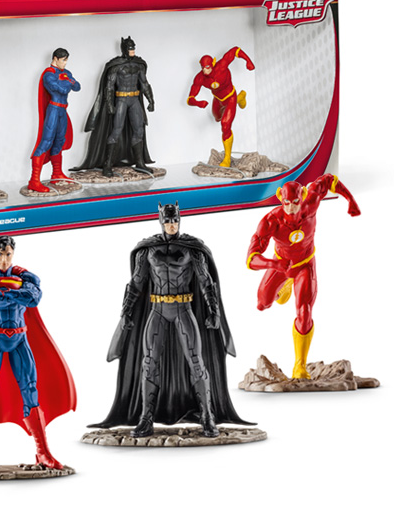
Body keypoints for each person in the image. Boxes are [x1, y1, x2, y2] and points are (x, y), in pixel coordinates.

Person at [92, 203, 248, 438]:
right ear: (161, 221)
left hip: (184, 309)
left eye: (175, 221)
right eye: (167, 221)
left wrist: (214, 311)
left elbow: (206, 282)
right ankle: (146, 418)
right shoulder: (148, 249)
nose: (172, 225)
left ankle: (207, 416)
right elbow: (136, 283)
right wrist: (126, 312)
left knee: (196, 362)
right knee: (149, 363)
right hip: (157, 310)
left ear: (180, 220)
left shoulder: (191, 248)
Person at [0, 236, 76, 472]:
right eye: (0, 254)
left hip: (20, 339)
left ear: (13, 254)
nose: (4, 259)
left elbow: (33, 298)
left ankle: (43, 453)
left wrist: (1, 291)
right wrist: (13, 291)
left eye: (8, 254)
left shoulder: (25, 275)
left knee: (31, 392)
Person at [246, 175, 360, 378]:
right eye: (287, 203)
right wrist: (273, 264)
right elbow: (251, 259)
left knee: (305, 311)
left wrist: (350, 200)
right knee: (262, 304)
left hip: (305, 265)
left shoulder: (311, 203)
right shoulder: (271, 221)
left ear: (303, 196)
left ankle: (300, 366)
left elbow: (328, 180)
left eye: (295, 202)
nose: (291, 208)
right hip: (281, 264)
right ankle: (286, 286)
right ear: (280, 198)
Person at [72, 36, 154, 177]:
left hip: (134, 99)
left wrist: (151, 100)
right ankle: (108, 165)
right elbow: (109, 87)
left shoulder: (139, 65)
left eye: (133, 48)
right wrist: (110, 104)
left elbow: (144, 83)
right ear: (124, 49)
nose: (132, 51)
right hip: (121, 99)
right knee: (116, 131)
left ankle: (140, 163)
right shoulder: (116, 65)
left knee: (139, 130)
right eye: (130, 48)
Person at [187, 47, 255, 167]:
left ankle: (227, 158)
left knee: (225, 125)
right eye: (203, 68)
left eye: (207, 67)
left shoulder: (221, 66)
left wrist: (248, 61)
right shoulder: (200, 77)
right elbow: (190, 99)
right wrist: (197, 103)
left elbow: (235, 50)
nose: (205, 71)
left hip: (230, 97)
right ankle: (241, 97)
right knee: (217, 118)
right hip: (218, 99)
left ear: (213, 63)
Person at [28, 48, 80, 193]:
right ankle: (34, 180)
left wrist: (67, 81)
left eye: (66, 60)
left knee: (60, 141)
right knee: (46, 142)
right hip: (54, 109)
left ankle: (56, 173)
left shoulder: (65, 73)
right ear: (55, 59)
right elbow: (61, 89)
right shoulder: (48, 74)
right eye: (63, 60)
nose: (65, 63)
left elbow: (77, 87)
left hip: (63, 110)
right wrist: (68, 82)